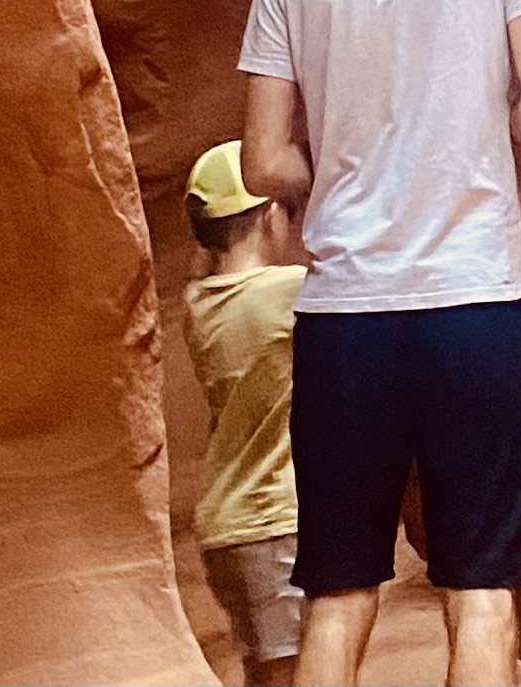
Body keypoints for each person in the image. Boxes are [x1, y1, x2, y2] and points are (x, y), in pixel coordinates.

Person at [239, 0, 521, 687]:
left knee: (339, 593)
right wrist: (459, 133)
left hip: (347, 317)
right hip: (475, 300)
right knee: (480, 589)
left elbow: (263, 159)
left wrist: (341, 163)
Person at [179, 141, 308, 686]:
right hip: (271, 520)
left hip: (226, 526)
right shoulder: (285, 294)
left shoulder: (198, 304)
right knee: (299, 672)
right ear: (271, 216)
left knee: (267, 671)